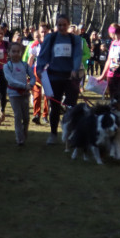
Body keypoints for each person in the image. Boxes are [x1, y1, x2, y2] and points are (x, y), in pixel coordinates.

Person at [35, 14, 84, 145]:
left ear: (68, 25)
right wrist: (39, 68)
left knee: (71, 106)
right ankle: (53, 134)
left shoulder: (75, 39)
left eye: (64, 25)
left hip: (70, 77)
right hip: (54, 77)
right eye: (59, 25)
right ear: (56, 25)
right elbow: (43, 55)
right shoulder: (50, 38)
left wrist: (75, 69)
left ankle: (71, 134)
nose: (62, 27)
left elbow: (77, 55)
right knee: (54, 107)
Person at [3, 41, 36, 146]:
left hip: (25, 94)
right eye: (13, 51)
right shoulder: (7, 66)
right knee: (18, 115)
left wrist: (31, 84)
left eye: (18, 51)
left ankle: (24, 133)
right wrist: (24, 86)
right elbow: (11, 80)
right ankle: (19, 139)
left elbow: (33, 77)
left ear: (21, 52)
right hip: (13, 94)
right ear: (9, 53)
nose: (16, 54)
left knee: (26, 117)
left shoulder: (25, 65)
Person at [24, 22, 50, 125]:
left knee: (47, 94)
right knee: (37, 94)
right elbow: (31, 58)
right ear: (39, 32)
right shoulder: (35, 44)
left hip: (48, 71)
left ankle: (45, 115)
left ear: (48, 31)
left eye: (45, 31)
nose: (43, 33)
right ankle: (36, 115)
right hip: (37, 71)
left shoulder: (51, 43)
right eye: (42, 31)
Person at [98, 24, 120, 97]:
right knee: (113, 97)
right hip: (111, 75)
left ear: (112, 33)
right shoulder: (113, 43)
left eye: (109, 33)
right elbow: (109, 60)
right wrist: (103, 75)